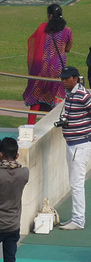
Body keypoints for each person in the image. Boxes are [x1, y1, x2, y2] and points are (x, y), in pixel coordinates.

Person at [23, 3, 73, 125]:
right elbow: (68, 48)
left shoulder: (43, 28)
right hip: (58, 69)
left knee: (36, 95)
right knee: (55, 97)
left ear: (50, 16)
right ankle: (51, 125)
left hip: (42, 68)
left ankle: (30, 126)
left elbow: (32, 41)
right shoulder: (67, 31)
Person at [57, 66, 91, 230]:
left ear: (75, 79)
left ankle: (78, 220)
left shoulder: (83, 95)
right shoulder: (69, 94)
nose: (63, 81)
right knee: (74, 182)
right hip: (72, 143)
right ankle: (76, 217)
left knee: (77, 183)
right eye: (62, 78)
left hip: (81, 144)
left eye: (66, 78)